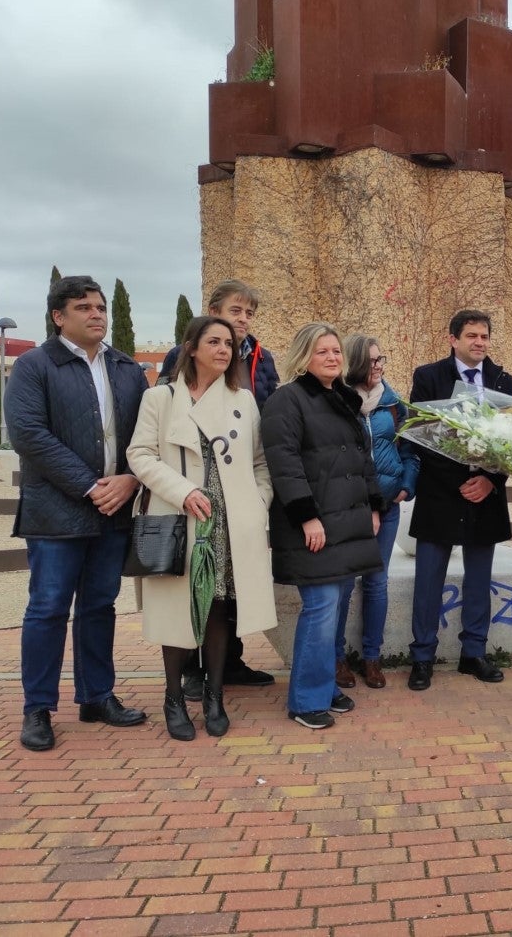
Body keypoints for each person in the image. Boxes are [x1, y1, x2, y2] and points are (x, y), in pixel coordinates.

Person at [5, 275, 149, 751]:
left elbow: (145, 437)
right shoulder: (33, 366)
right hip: (57, 512)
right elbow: (29, 434)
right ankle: (38, 709)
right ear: (58, 316)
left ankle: (97, 697)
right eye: (84, 307)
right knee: (47, 609)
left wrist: (129, 478)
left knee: (98, 606)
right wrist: (91, 486)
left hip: (114, 509)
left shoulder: (127, 369)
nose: (97, 315)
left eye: (101, 307)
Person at [126, 316, 278, 741]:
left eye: (228, 343)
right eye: (214, 342)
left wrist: (257, 504)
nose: (224, 350)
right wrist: (182, 490)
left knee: (217, 606)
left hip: (229, 519)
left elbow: (260, 464)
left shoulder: (243, 401)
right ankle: (174, 698)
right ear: (191, 347)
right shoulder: (160, 398)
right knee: (176, 608)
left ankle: (214, 697)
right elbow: (139, 454)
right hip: (179, 516)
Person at [262, 322, 384, 729]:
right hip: (314, 525)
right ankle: (305, 701)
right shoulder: (287, 401)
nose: (332, 357)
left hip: (348, 522)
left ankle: (326, 688)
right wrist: (307, 517)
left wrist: (373, 505)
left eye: (336, 351)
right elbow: (285, 465)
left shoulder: (344, 399)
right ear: (303, 357)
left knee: (333, 610)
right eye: (322, 352)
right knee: (320, 608)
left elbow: (361, 459)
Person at [161, 280, 279, 695]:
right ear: (212, 311)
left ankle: (230, 662)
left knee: (231, 585)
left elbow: (267, 418)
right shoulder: (180, 361)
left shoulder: (262, 360)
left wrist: (258, 497)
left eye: (249, 313)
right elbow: (167, 426)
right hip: (194, 492)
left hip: (239, 484)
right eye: (235, 311)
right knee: (195, 586)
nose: (243, 320)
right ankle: (193, 671)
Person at [406, 309, 512, 691]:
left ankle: (474, 654)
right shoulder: (429, 376)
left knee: (479, 579)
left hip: (485, 497)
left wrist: (489, 479)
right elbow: (420, 433)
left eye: (484, 336)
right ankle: (422, 657)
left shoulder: (502, 379)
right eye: (471, 336)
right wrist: (460, 480)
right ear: (454, 339)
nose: (479, 342)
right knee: (428, 579)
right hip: (441, 494)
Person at [332, 334, 419, 690]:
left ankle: (372, 656)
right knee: (341, 585)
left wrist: (406, 485)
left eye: (381, 359)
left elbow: (411, 451)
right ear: (355, 365)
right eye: (372, 361)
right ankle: (336, 657)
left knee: (376, 583)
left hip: (387, 506)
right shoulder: (337, 403)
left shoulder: (395, 404)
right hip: (349, 509)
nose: (379, 366)